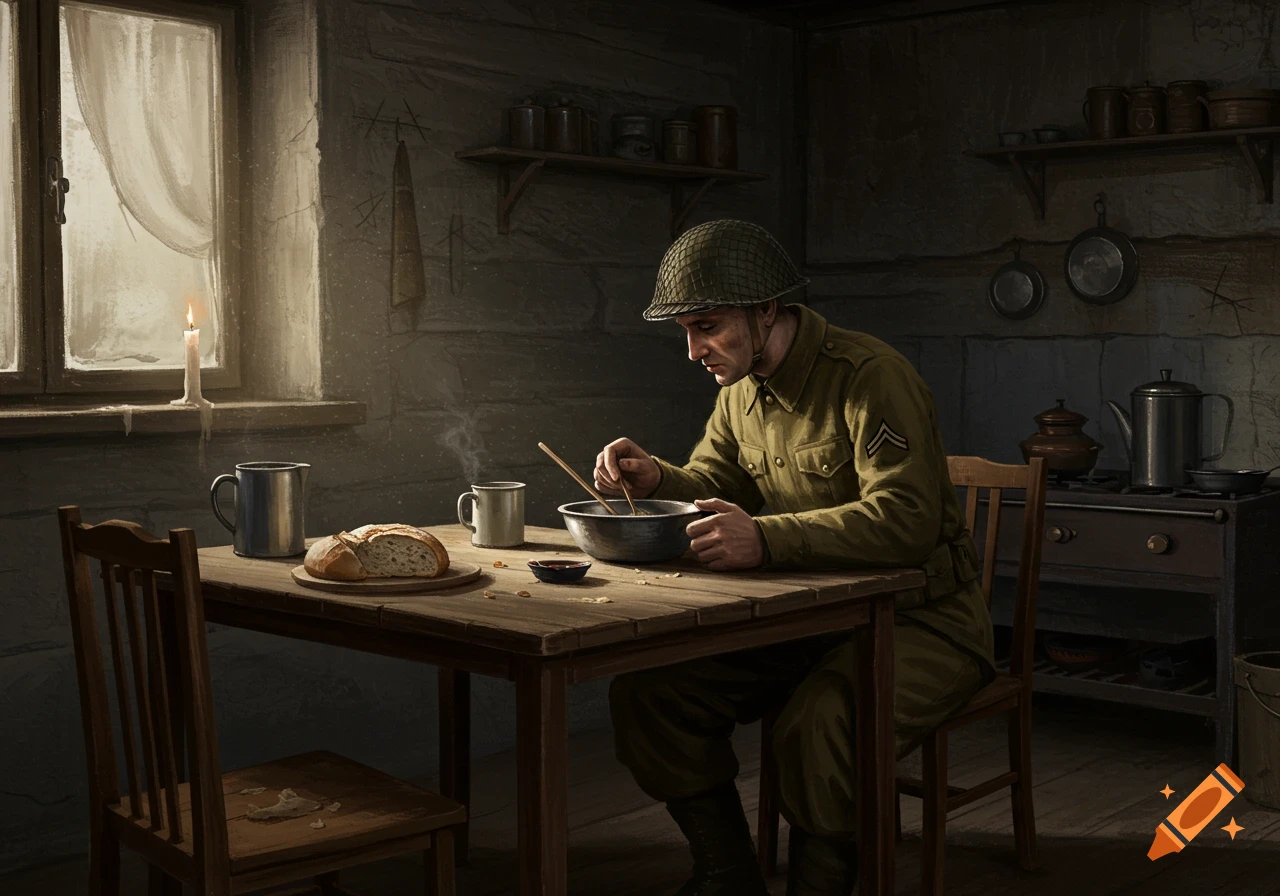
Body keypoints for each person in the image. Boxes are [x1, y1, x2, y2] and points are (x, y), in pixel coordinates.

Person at [592, 219, 996, 896]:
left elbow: (909, 522)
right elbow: (713, 484)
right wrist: (658, 479)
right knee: (651, 695)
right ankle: (727, 876)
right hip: (808, 621)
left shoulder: (872, 378)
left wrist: (770, 539)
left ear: (767, 310)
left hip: (924, 623)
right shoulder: (739, 392)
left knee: (819, 724)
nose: (694, 350)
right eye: (686, 331)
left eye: (707, 326)